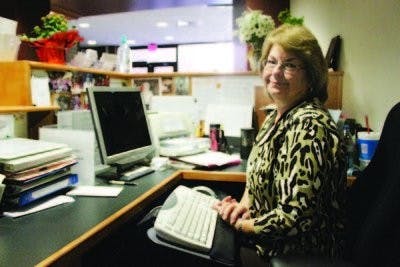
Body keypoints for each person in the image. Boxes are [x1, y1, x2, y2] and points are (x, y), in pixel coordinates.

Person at [213, 24, 347, 265]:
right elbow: (255, 182)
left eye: (290, 65)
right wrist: (242, 207)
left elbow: (295, 217)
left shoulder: (310, 125)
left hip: (294, 253)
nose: (275, 72)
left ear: (310, 74)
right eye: (271, 62)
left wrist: (240, 226)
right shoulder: (275, 115)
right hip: (267, 242)